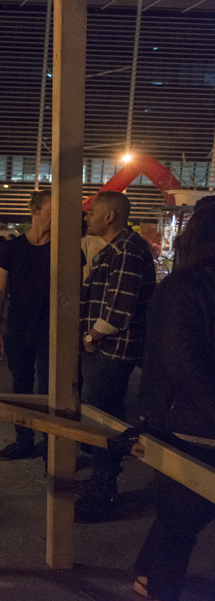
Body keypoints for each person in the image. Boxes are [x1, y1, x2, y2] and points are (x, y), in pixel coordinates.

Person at [131, 203, 215, 601]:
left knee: (182, 516)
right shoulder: (184, 287)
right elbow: (183, 362)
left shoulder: (186, 285)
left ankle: (148, 577)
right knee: (182, 516)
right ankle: (155, 584)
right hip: (187, 421)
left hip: (194, 417)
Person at [77, 190, 156, 522]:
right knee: (102, 417)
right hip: (109, 349)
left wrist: (92, 336)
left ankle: (103, 491)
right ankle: (101, 483)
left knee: (103, 422)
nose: (87, 216)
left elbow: (118, 309)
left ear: (110, 216)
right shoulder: (121, 247)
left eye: (92, 211)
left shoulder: (125, 250)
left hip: (111, 350)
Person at [0, 190, 52, 461]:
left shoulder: (64, 247)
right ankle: (24, 441)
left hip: (51, 331)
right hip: (19, 329)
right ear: (35, 211)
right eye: (52, 210)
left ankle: (52, 448)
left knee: (51, 392)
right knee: (21, 388)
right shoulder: (12, 249)